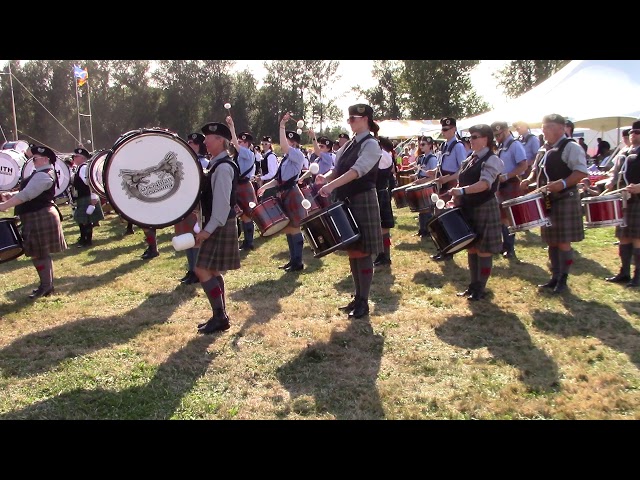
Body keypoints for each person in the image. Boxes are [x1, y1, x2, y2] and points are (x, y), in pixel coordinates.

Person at [315, 103, 383, 318]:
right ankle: (357, 297)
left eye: (353, 118)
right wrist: (325, 178)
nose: (350, 122)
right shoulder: (349, 145)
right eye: (349, 119)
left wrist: (332, 185)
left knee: (362, 252)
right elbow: (337, 170)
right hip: (347, 199)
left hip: (362, 199)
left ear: (365, 119)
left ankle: (364, 301)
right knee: (353, 251)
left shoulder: (371, 144)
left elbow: (357, 171)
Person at [519, 113, 589, 294]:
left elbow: (581, 172)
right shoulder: (544, 149)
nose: (545, 131)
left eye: (548, 127)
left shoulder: (571, 147)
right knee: (551, 240)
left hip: (565, 198)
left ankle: (563, 280)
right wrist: (528, 180)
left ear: (561, 128)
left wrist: (563, 183)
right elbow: (536, 172)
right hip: (547, 199)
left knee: (563, 241)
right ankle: (554, 276)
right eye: (543, 127)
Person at [0, 145, 68, 299]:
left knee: (39, 254)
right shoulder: (41, 174)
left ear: (45, 159)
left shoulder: (43, 175)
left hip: (39, 216)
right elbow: (28, 191)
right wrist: (11, 194)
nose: (33, 161)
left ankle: (45, 287)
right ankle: (47, 286)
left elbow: (26, 195)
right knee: (40, 253)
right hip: (38, 216)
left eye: (36, 158)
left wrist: (4, 206)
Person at [194, 121, 241, 334]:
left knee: (202, 269)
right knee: (212, 270)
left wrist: (206, 230)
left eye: (208, 138)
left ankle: (220, 315)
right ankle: (219, 315)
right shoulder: (215, 164)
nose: (205, 141)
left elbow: (222, 206)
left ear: (220, 141)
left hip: (219, 224)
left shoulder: (222, 167)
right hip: (217, 224)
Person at [448, 124, 504, 301]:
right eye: (470, 137)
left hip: (485, 206)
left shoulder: (492, 159)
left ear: (486, 139)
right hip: (468, 207)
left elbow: (485, 184)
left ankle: (481, 288)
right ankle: (473, 285)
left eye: (475, 137)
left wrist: (462, 191)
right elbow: (461, 182)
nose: (470, 140)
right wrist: (456, 197)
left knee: (484, 250)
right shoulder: (470, 159)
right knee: (471, 247)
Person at [256, 113, 307, 272]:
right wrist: (265, 187)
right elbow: (278, 179)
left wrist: (282, 126)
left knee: (295, 227)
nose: (287, 144)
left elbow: (284, 146)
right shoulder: (285, 159)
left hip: (292, 193)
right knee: (288, 228)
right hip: (284, 193)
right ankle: (293, 260)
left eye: (290, 142)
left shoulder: (297, 155)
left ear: (295, 144)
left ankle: (298, 262)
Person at [602, 120, 640, 287]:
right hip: (624, 200)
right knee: (623, 237)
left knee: (638, 238)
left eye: (637, 132)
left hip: (638, 200)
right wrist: (611, 181)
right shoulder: (624, 152)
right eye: (632, 132)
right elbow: (615, 173)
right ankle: (624, 272)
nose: (633, 135)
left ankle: (638, 276)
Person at [425, 117, 468, 261]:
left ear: (454, 129)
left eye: (446, 129)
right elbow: (441, 164)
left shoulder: (458, 146)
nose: (443, 132)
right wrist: (435, 172)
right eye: (442, 129)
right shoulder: (443, 146)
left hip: (451, 184)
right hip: (442, 183)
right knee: (438, 215)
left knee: (446, 216)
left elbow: (462, 169)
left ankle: (449, 250)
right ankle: (443, 248)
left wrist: (447, 179)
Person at [174, 132, 207, 285]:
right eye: (189, 142)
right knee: (185, 237)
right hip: (183, 204)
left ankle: (197, 270)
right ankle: (191, 269)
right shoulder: (183, 162)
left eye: (193, 143)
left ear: (200, 145)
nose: (190, 145)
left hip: (196, 204)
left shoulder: (205, 163)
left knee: (196, 238)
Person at [491, 121, 528, 259]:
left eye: (499, 134)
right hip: (501, 184)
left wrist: (507, 175)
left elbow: (523, 165)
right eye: (495, 135)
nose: (497, 137)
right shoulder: (501, 146)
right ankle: (504, 245)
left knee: (509, 217)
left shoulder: (515, 145)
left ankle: (510, 248)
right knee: (501, 217)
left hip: (511, 183)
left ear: (506, 130)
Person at [227, 119, 257, 252]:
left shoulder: (248, 153)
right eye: (238, 141)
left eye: (240, 142)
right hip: (238, 186)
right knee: (242, 215)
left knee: (247, 215)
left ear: (247, 143)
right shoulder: (239, 154)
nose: (238, 143)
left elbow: (234, 144)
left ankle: (249, 242)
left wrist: (232, 127)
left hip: (244, 185)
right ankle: (246, 241)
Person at [70, 147, 104, 248]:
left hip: (86, 197)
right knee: (82, 220)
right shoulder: (80, 168)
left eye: (76, 156)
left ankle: (87, 240)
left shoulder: (83, 168)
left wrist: (93, 197)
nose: (74, 158)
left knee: (86, 220)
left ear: (83, 158)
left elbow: (90, 183)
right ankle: (83, 238)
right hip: (83, 197)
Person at [408, 136, 438, 237]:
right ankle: (422, 230)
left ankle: (428, 231)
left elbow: (434, 176)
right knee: (421, 209)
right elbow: (420, 172)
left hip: (428, 186)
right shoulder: (422, 158)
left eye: (423, 144)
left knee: (428, 210)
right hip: (421, 185)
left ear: (430, 145)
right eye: (420, 144)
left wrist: (421, 181)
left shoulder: (432, 159)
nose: (421, 147)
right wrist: (415, 176)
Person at [373, 136, 395, 266]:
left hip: (379, 192)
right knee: (383, 226)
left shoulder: (382, 155)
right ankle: (383, 254)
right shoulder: (385, 155)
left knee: (383, 226)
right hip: (381, 191)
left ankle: (384, 255)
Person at [254, 135, 279, 200]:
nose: (263, 145)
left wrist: (261, 178)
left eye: (266, 144)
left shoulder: (271, 156)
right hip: (266, 182)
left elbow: (272, 173)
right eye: (262, 144)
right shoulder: (265, 155)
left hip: (270, 183)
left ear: (269, 145)